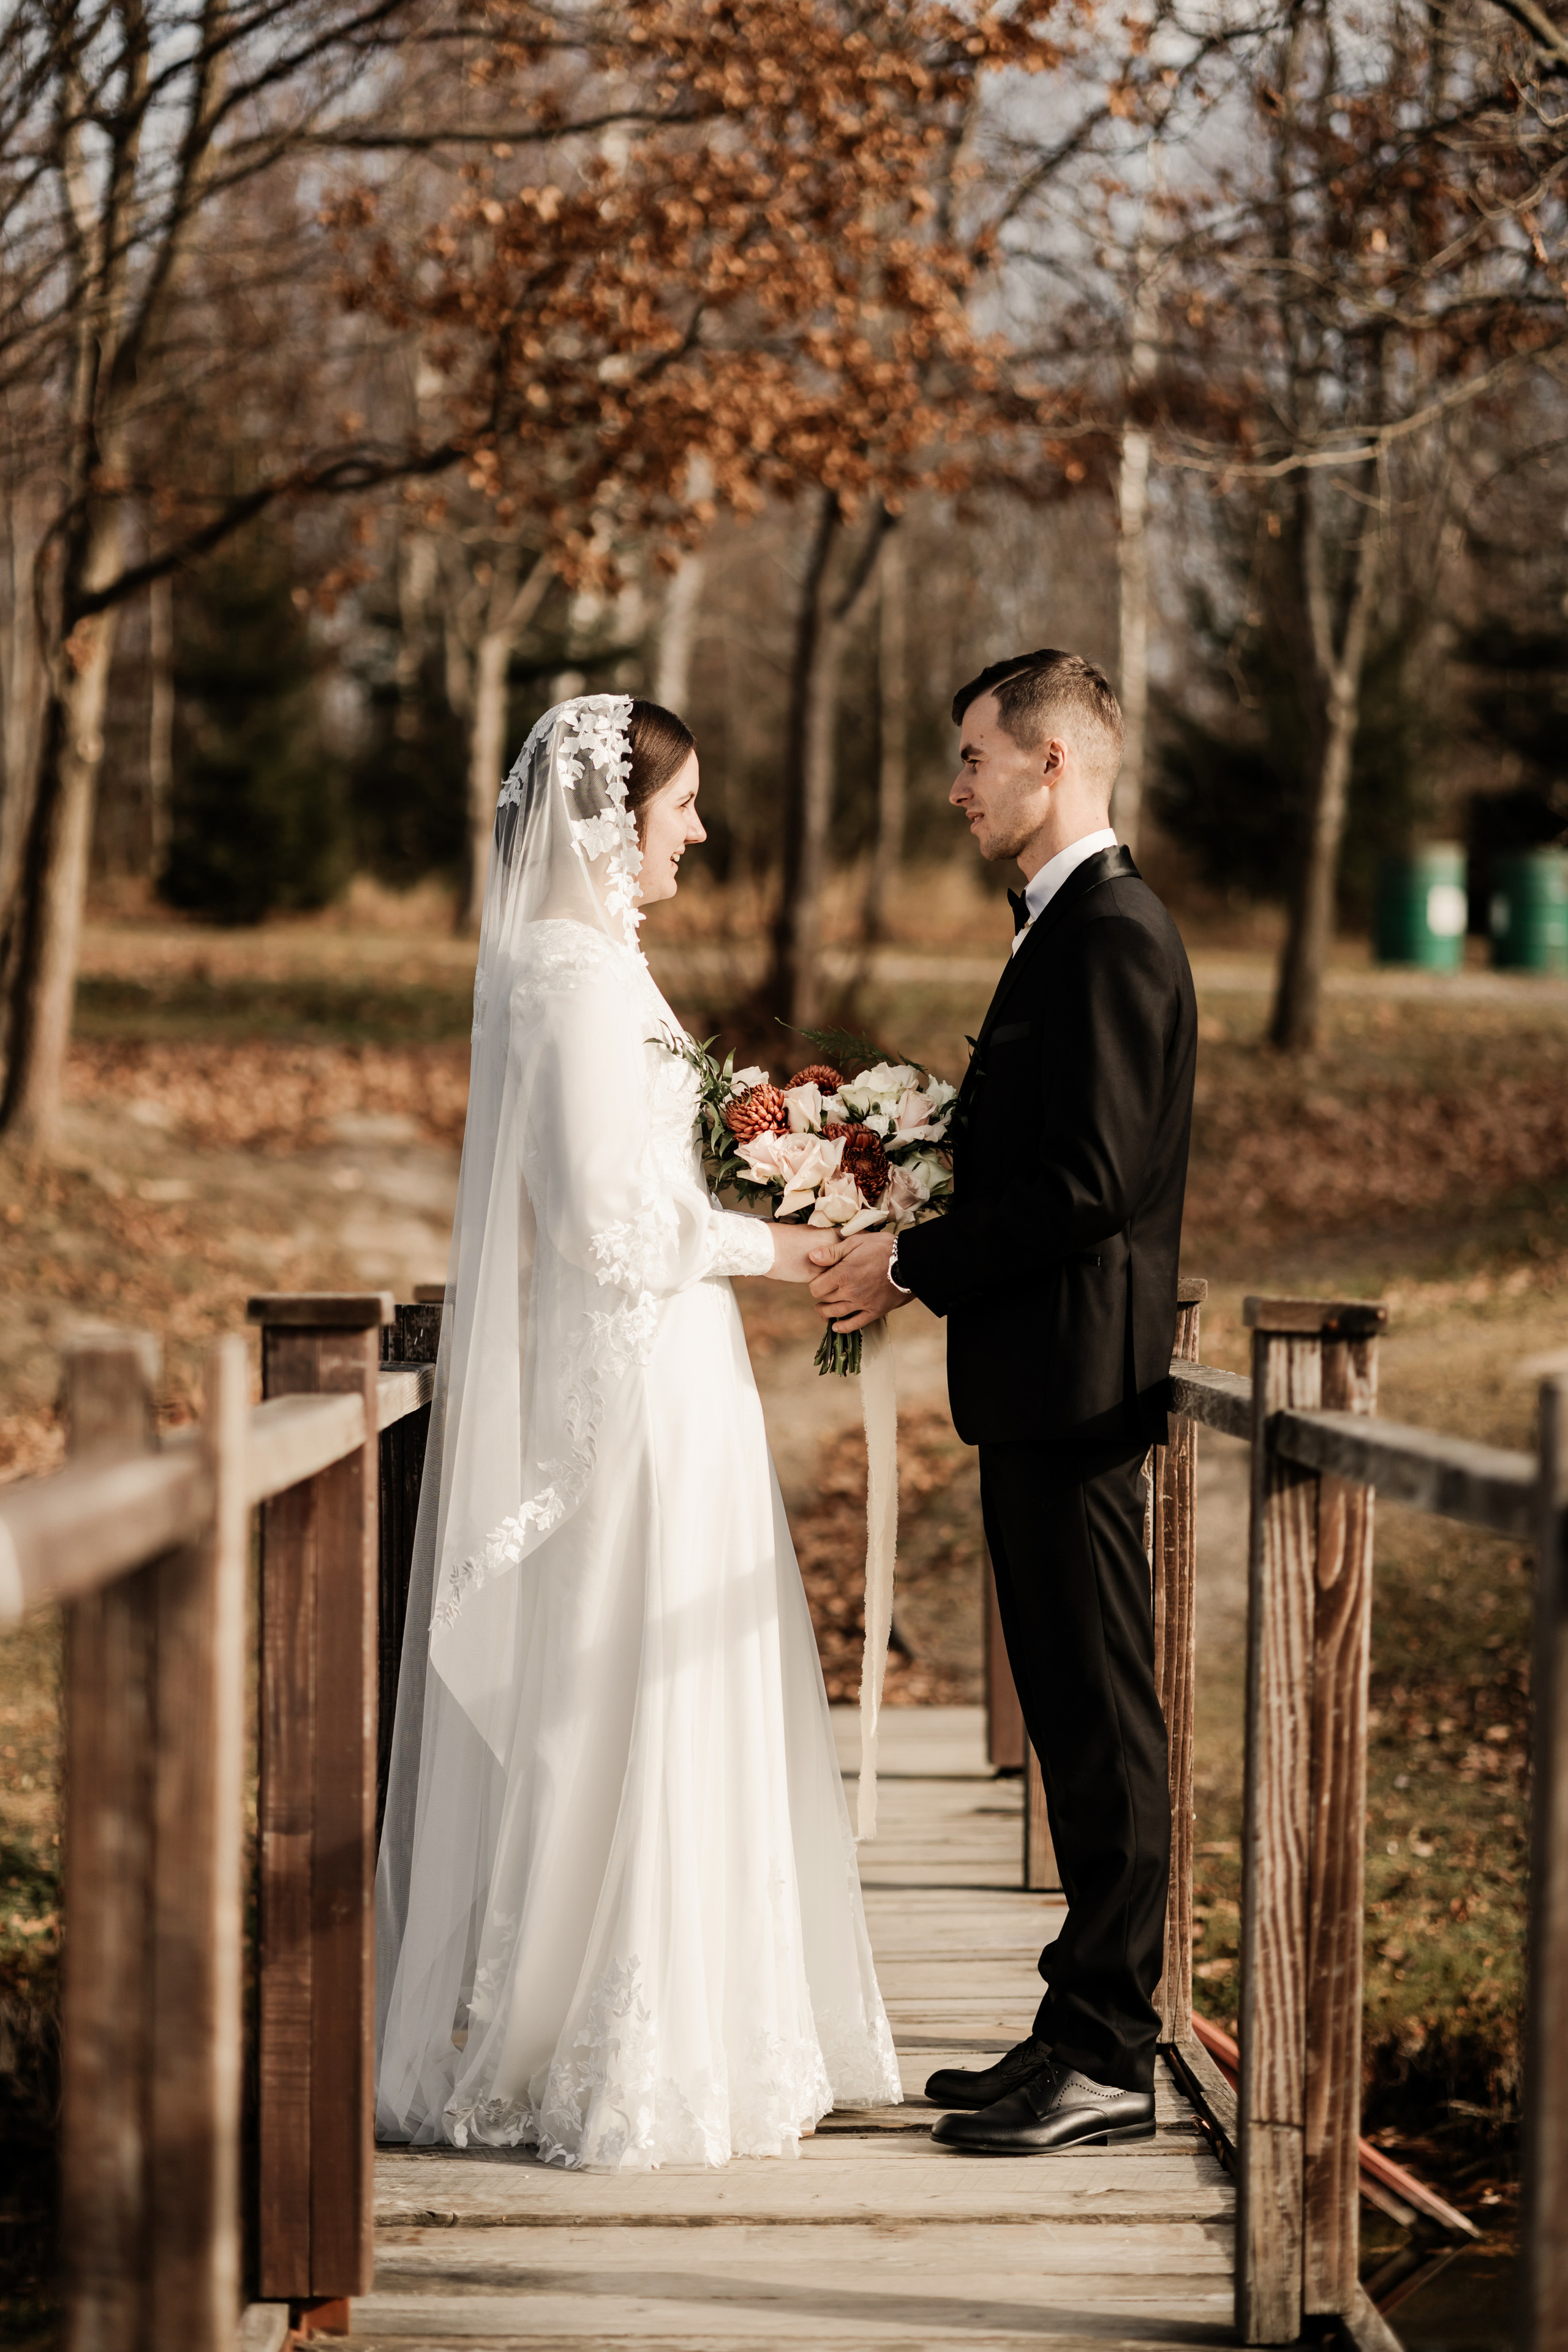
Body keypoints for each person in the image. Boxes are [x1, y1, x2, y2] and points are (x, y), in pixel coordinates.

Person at [376, 693, 900, 2168]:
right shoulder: (570, 979)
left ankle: (690, 2016)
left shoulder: (598, 968)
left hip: (670, 1363)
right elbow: (612, 1227)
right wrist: (779, 1249)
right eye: (680, 808)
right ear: (613, 818)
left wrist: (787, 1187)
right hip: (638, 1375)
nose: (699, 831)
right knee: (624, 1674)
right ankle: (602, 2039)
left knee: (661, 1667)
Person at [807, 649, 1197, 2155]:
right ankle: (1073, 2028)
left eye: (972, 756)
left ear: (1053, 766)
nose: (953, 784)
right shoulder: (1062, 931)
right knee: (1068, 1717)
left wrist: (908, 1260)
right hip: (1036, 1388)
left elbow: (1091, 1184)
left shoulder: (1110, 934)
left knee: (1103, 1728)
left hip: (1079, 1389)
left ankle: (1109, 2054)